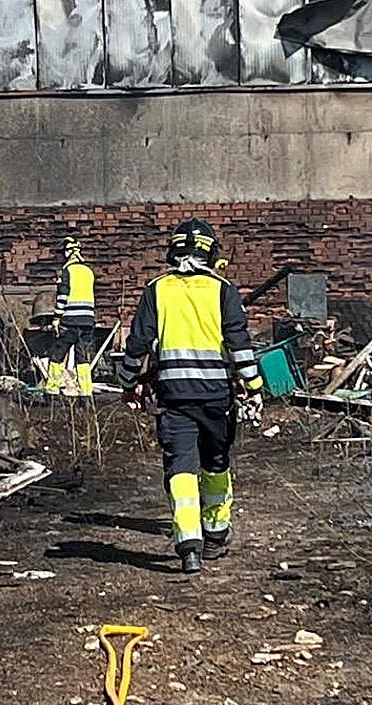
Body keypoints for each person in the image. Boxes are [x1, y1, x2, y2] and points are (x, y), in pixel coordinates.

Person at [119, 220, 264, 574]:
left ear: (174, 250)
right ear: (210, 252)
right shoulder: (222, 290)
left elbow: (137, 345)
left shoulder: (157, 289)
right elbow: (239, 344)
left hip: (173, 398)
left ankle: (189, 548)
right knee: (216, 463)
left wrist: (127, 380)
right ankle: (215, 534)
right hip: (216, 398)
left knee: (180, 467)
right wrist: (255, 385)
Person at [45, 236, 96, 397]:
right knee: (83, 359)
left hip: (70, 321)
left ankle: (52, 390)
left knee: (58, 354)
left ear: (67, 253)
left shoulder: (68, 271)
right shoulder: (88, 271)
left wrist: (56, 318)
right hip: (87, 321)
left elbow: (63, 296)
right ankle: (86, 393)